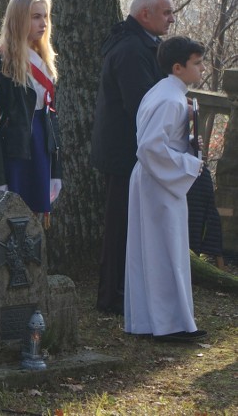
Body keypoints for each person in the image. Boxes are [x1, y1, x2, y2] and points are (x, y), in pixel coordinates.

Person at [91, 0, 174, 315]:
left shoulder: (141, 44)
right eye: (166, 12)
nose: (170, 18)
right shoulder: (130, 49)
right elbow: (142, 105)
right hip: (125, 154)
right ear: (145, 15)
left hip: (130, 152)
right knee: (119, 226)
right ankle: (112, 296)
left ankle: (126, 291)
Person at [125, 36, 207, 343]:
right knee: (163, 249)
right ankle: (168, 323)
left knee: (158, 248)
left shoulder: (165, 92)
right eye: (196, 63)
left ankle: (159, 320)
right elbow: (149, 147)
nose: (201, 69)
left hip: (155, 179)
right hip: (158, 181)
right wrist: (188, 164)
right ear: (178, 67)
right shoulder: (171, 100)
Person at [0, 0, 62, 219]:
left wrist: (55, 169)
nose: (44, 23)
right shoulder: (2, 63)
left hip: (39, 147)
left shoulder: (44, 60)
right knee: (10, 225)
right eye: (36, 17)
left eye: (45, 16)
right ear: (19, 19)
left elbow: (50, 116)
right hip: (14, 152)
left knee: (33, 224)